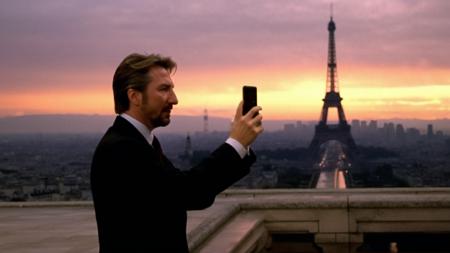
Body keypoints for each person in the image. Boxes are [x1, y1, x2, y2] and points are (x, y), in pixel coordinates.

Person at [90, 53, 263, 253]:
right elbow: (189, 192)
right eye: (164, 89)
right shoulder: (121, 148)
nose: (175, 99)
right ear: (134, 96)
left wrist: (241, 145)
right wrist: (236, 143)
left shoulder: (139, 141)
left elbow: (181, 192)